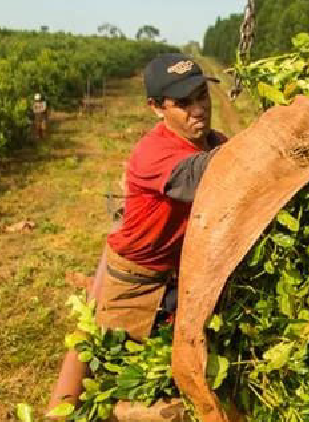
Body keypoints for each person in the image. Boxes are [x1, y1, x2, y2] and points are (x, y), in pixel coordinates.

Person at [95, 53, 226, 339]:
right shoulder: (153, 153)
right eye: (183, 103)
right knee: (122, 368)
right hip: (137, 285)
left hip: (179, 277)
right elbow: (208, 174)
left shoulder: (215, 142)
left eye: (202, 95)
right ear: (155, 108)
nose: (199, 109)